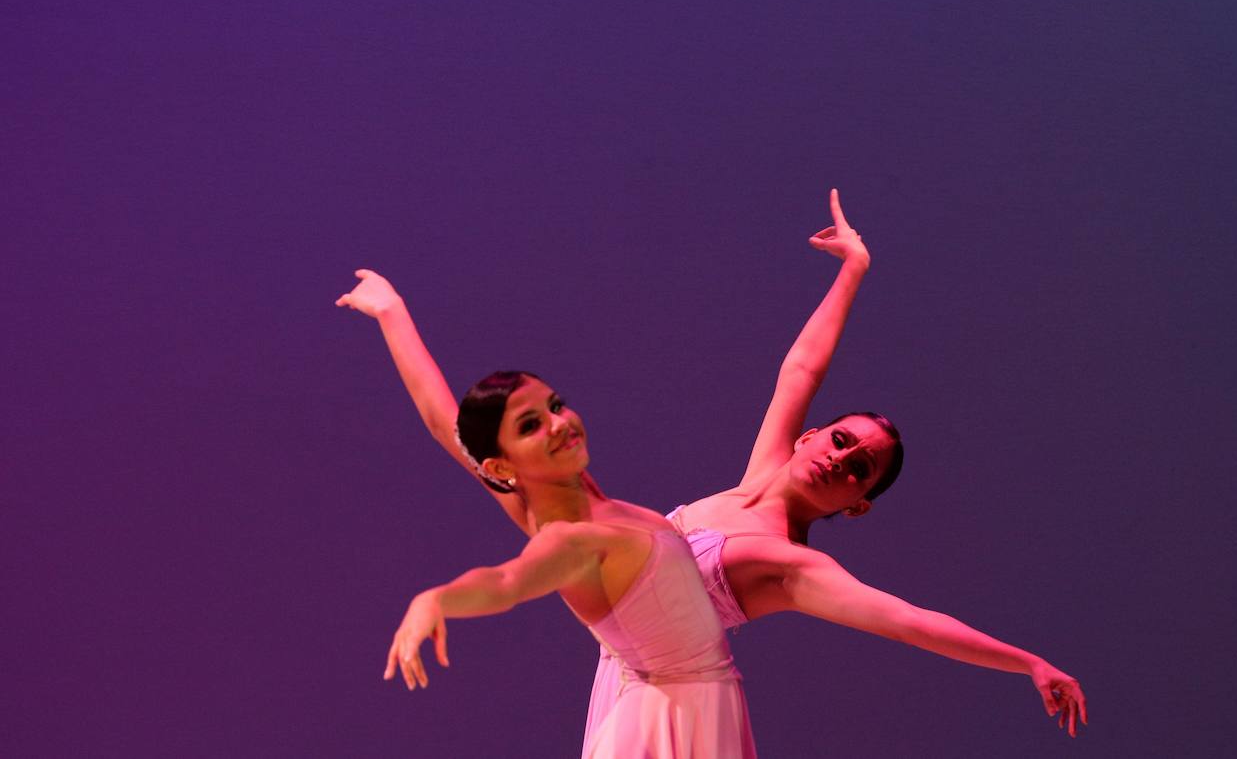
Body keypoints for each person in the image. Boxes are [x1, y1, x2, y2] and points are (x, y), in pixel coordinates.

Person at [337, 189, 1087, 739]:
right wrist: (393, 310)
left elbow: (908, 622)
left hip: (682, 707)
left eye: (859, 469)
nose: (841, 457)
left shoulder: (790, 568)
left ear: (856, 505)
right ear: (807, 438)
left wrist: (1026, 663)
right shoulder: (684, 488)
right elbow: (800, 369)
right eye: (841, 439)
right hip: (636, 682)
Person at [380, 370, 756, 758]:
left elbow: (444, 421)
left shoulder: (583, 498)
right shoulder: (568, 540)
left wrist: (391, 311)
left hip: (692, 707)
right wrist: (435, 600)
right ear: (501, 468)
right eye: (531, 426)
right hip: (666, 725)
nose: (559, 424)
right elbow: (506, 582)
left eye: (555, 405)